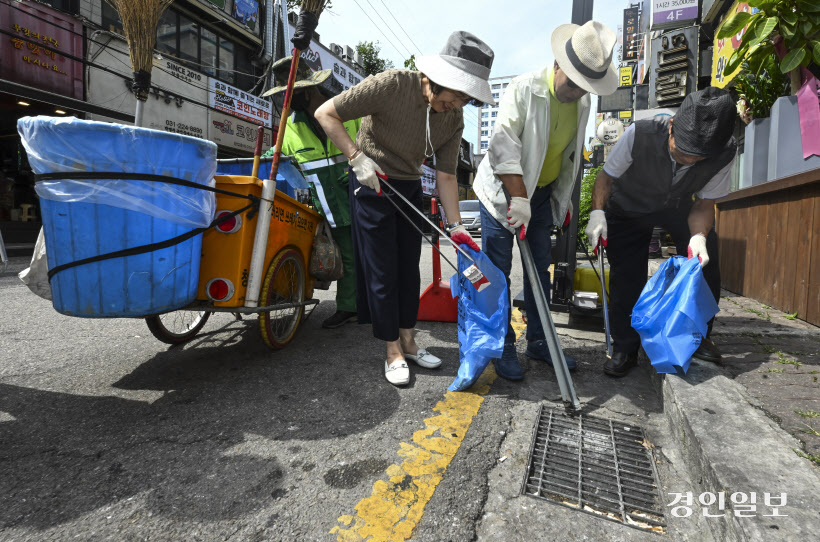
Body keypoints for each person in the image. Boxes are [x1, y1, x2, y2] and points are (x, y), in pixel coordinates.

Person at [315, 31, 494, 386]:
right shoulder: (392, 85)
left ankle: (410, 340)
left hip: (409, 186)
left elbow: (445, 176)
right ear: (437, 79)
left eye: (465, 99)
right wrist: (355, 157)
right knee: (383, 270)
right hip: (371, 180)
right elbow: (326, 113)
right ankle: (392, 349)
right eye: (456, 95)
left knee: (409, 270)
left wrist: (456, 226)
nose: (457, 105)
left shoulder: (452, 119)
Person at [473, 21, 618, 381]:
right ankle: (502, 345)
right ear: (558, 66)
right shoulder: (524, 89)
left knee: (540, 269)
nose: (576, 93)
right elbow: (503, 146)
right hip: (504, 192)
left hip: (539, 196)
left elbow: (569, 155)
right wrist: (518, 198)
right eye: (572, 84)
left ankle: (539, 341)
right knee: (497, 273)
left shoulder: (581, 101)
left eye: (585, 88)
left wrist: (563, 201)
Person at [585, 87, 737, 377]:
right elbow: (606, 178)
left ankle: (697, 337)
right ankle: (625, 348)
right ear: (671, 127)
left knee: (705, 261)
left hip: (678, 204)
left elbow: (705, 203)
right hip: (629, 206)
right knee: (627, 275)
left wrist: (698, 238)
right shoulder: (639, 133)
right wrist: (597, 212)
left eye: (698, 158)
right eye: (682, 152)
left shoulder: (724, 151)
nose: (688, 162)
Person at [262, 58, 361, 329]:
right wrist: (263, 158)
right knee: (328, 255)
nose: (286, 99)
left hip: (354, 197)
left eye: (290, 93)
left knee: (354, 257)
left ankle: (350, 307)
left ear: (309, 90)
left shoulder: (347, 113)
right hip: (320, 202)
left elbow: (369, 142)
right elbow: (278, 154)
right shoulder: (291, 125)